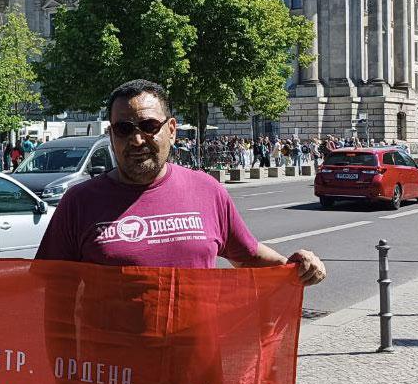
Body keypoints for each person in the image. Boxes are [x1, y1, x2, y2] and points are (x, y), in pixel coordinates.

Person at [36, 79, 326, 281]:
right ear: (111, 135)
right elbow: (49, 289)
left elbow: (248, 257)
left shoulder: (208, 190)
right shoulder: (79, 202)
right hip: (115, 368)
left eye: (149, 126)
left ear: (171, 130)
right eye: (124, 129)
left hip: (195, 365)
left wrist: (296, 266)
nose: (137, 139)